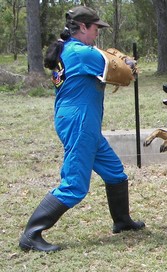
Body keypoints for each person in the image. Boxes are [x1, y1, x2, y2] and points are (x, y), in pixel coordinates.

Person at [19, 6, 145, 252]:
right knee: (75, 184)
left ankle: (122, 221)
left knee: (115, 172)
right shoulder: (80, 53)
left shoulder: (68, 48)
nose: (98, 32)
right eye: (96, 27)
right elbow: (122, 69)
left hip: (81, 119)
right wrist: (129, 63)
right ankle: (31, 235)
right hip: (79, 121)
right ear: (83, 27)